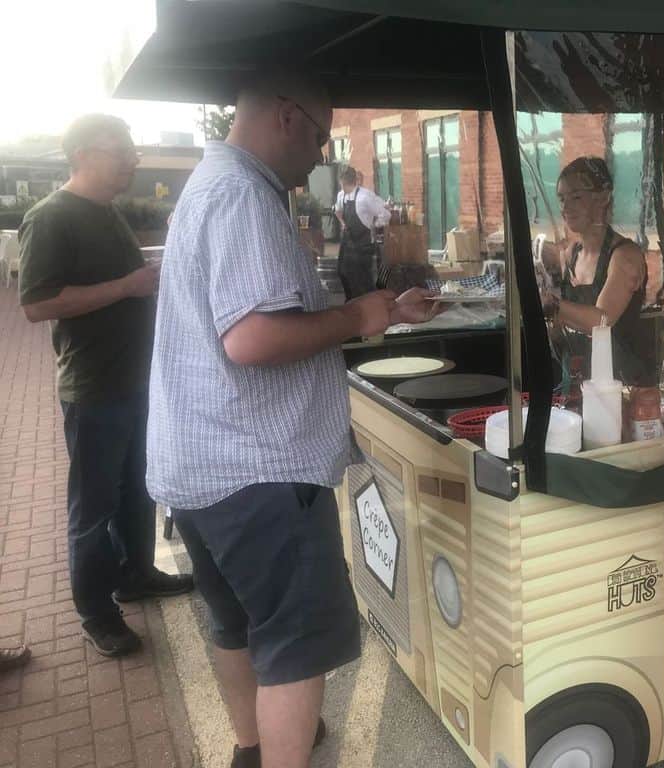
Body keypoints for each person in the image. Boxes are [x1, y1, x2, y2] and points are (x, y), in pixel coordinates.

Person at [146, 70, 438, 768]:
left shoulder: (211, 183)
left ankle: (252, 750)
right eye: (319, 137)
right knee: (294, 648)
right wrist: (356, 317)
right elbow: (252, 339)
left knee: (237, 625)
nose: (319, 156)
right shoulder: (244, 196)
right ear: (286, 116)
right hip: (260, 473)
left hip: (200, 466)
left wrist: (380, 312)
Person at [18, 114, 194, 659]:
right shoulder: (50, 217)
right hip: (94, 390)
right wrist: (127, 286)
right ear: (82, 155)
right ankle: (96, 613)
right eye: (121, 150)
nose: (132, 159)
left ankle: (135, 574)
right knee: (92, 509)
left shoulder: (106, 210)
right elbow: (37, 304)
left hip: (136, 381)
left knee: (137, 489)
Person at [543, 156, 661, 386]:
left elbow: (602, 320)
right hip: (578, 381)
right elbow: (562, 326)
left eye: (576, 197)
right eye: (562, 199)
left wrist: (551, 304)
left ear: (604, 197)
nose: (566, 207)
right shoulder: (571, 254)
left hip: (621, 384)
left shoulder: (625, 255)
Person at [334, 166, 390, 299]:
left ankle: (368, 305)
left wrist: (374, 225)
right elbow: (337, 210)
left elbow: (385, 214)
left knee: (362, 279)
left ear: (343, 181)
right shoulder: (341, 195)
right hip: (347, 242)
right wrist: (342, 222)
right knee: (343, 272)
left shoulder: (365, 196)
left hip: (363, 244)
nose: (342, 186)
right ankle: (350, 302)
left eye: (342, 183)